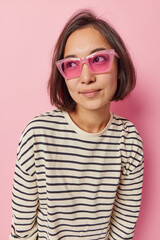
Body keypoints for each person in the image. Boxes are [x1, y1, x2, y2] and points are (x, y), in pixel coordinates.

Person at [10, 9, 144, 240]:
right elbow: (22, 229)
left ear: (120, 66)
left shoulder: (129, 141)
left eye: (99, 60)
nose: (86, 77)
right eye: (71, 64)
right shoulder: (38, 135)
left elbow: (122, 231)